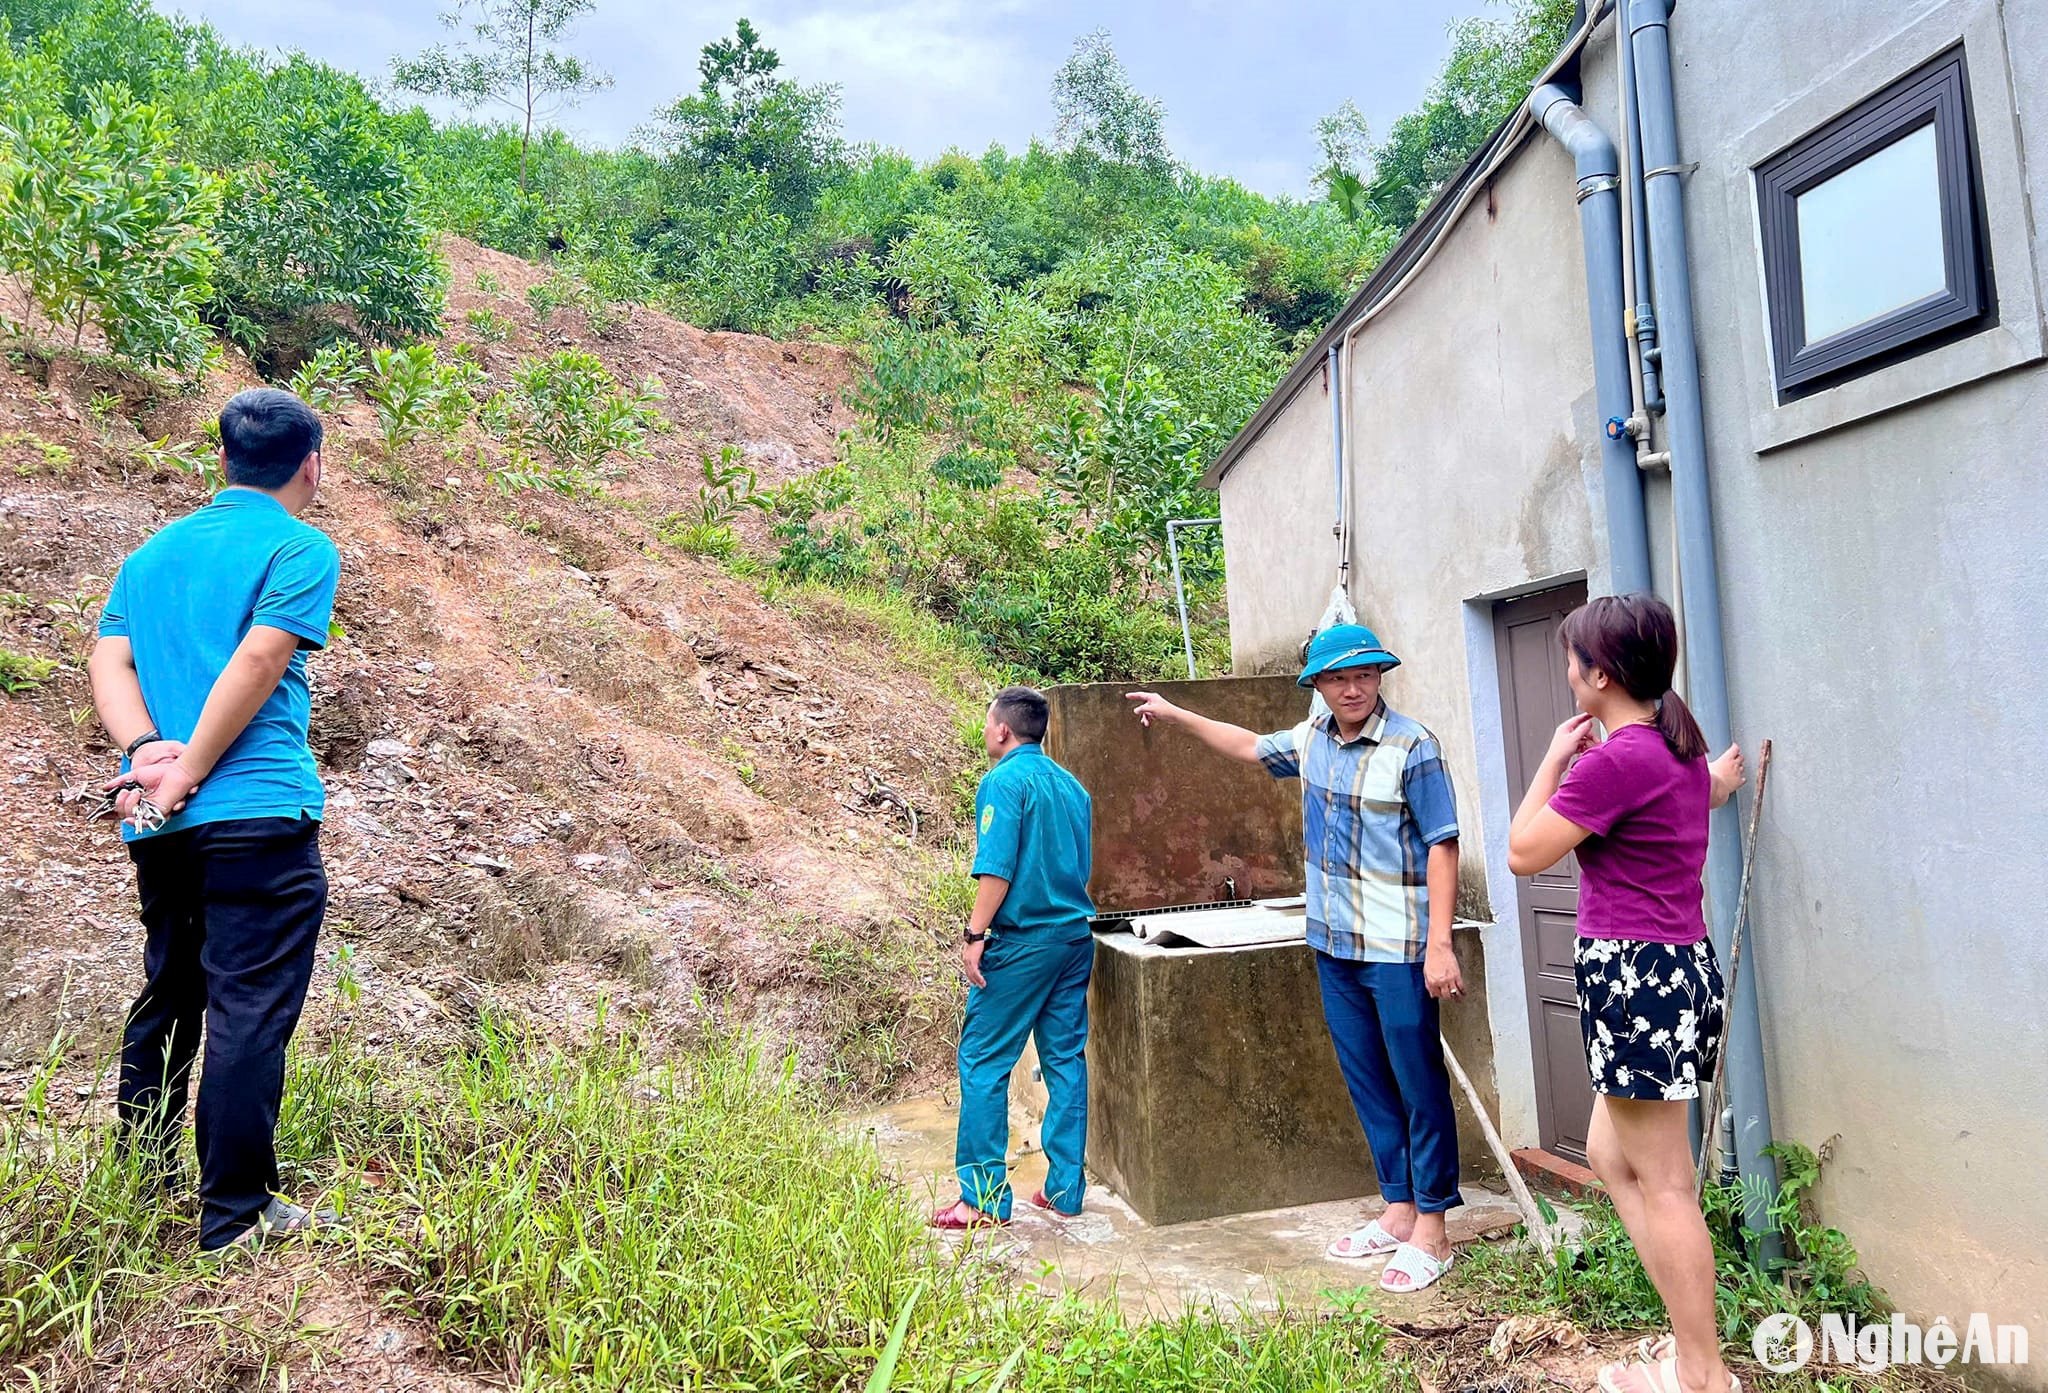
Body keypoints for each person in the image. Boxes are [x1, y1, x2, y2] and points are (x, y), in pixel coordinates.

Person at [1127, 622, 1465, 1294]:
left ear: (1379, 678)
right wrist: (1174, 713)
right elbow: (1250, 746)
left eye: (1364, 674)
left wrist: (1440, 943)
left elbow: (1443, 844)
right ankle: (1398, 1209)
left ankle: (1434, 1228)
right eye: (1338, 677)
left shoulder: (1413, 745)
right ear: (1318, 686)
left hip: (1399, 949)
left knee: (1418, 1082)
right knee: (1367, 1079)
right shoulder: (1312, 741)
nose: (1353, 687)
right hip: (1334, 944)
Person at [87, 387, 343, 1253]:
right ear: (311, 463)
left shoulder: (151, 556)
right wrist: (190, 768)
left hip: (161, 821)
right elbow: (264, 655)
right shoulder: (300, 547)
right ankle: (235, 1213)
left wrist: (147, 753)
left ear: (225, 460)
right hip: (256, 812)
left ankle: (143, 1172)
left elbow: (109, 655)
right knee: (248, 1005)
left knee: (173, 987)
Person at [1506, 593, 1745, 1393]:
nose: (1567, 670)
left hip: (1637, 977)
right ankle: (1687, 1348)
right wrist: (1724, 777)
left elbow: (1521, 850)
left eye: (1573, 659)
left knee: (1667, 1183)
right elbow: (1704, 790)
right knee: (1612, 1155)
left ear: (1599, 673)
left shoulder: (1618, 761)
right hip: (1672, 971)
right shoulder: (1677, 750)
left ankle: (1702, 1372)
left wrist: (1552, 756)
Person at [931, 686, 1096, 1229]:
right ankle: (1065, 1190)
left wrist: (974, 932)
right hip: (1073, 940)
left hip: (1023, 943)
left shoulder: (1003, 781)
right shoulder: (1073, 789)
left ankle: (979, 1198)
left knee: (983, 1061)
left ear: (1003, 729)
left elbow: (996, 868)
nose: (985, 733)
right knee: (1065, 1060)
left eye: (986, 724)